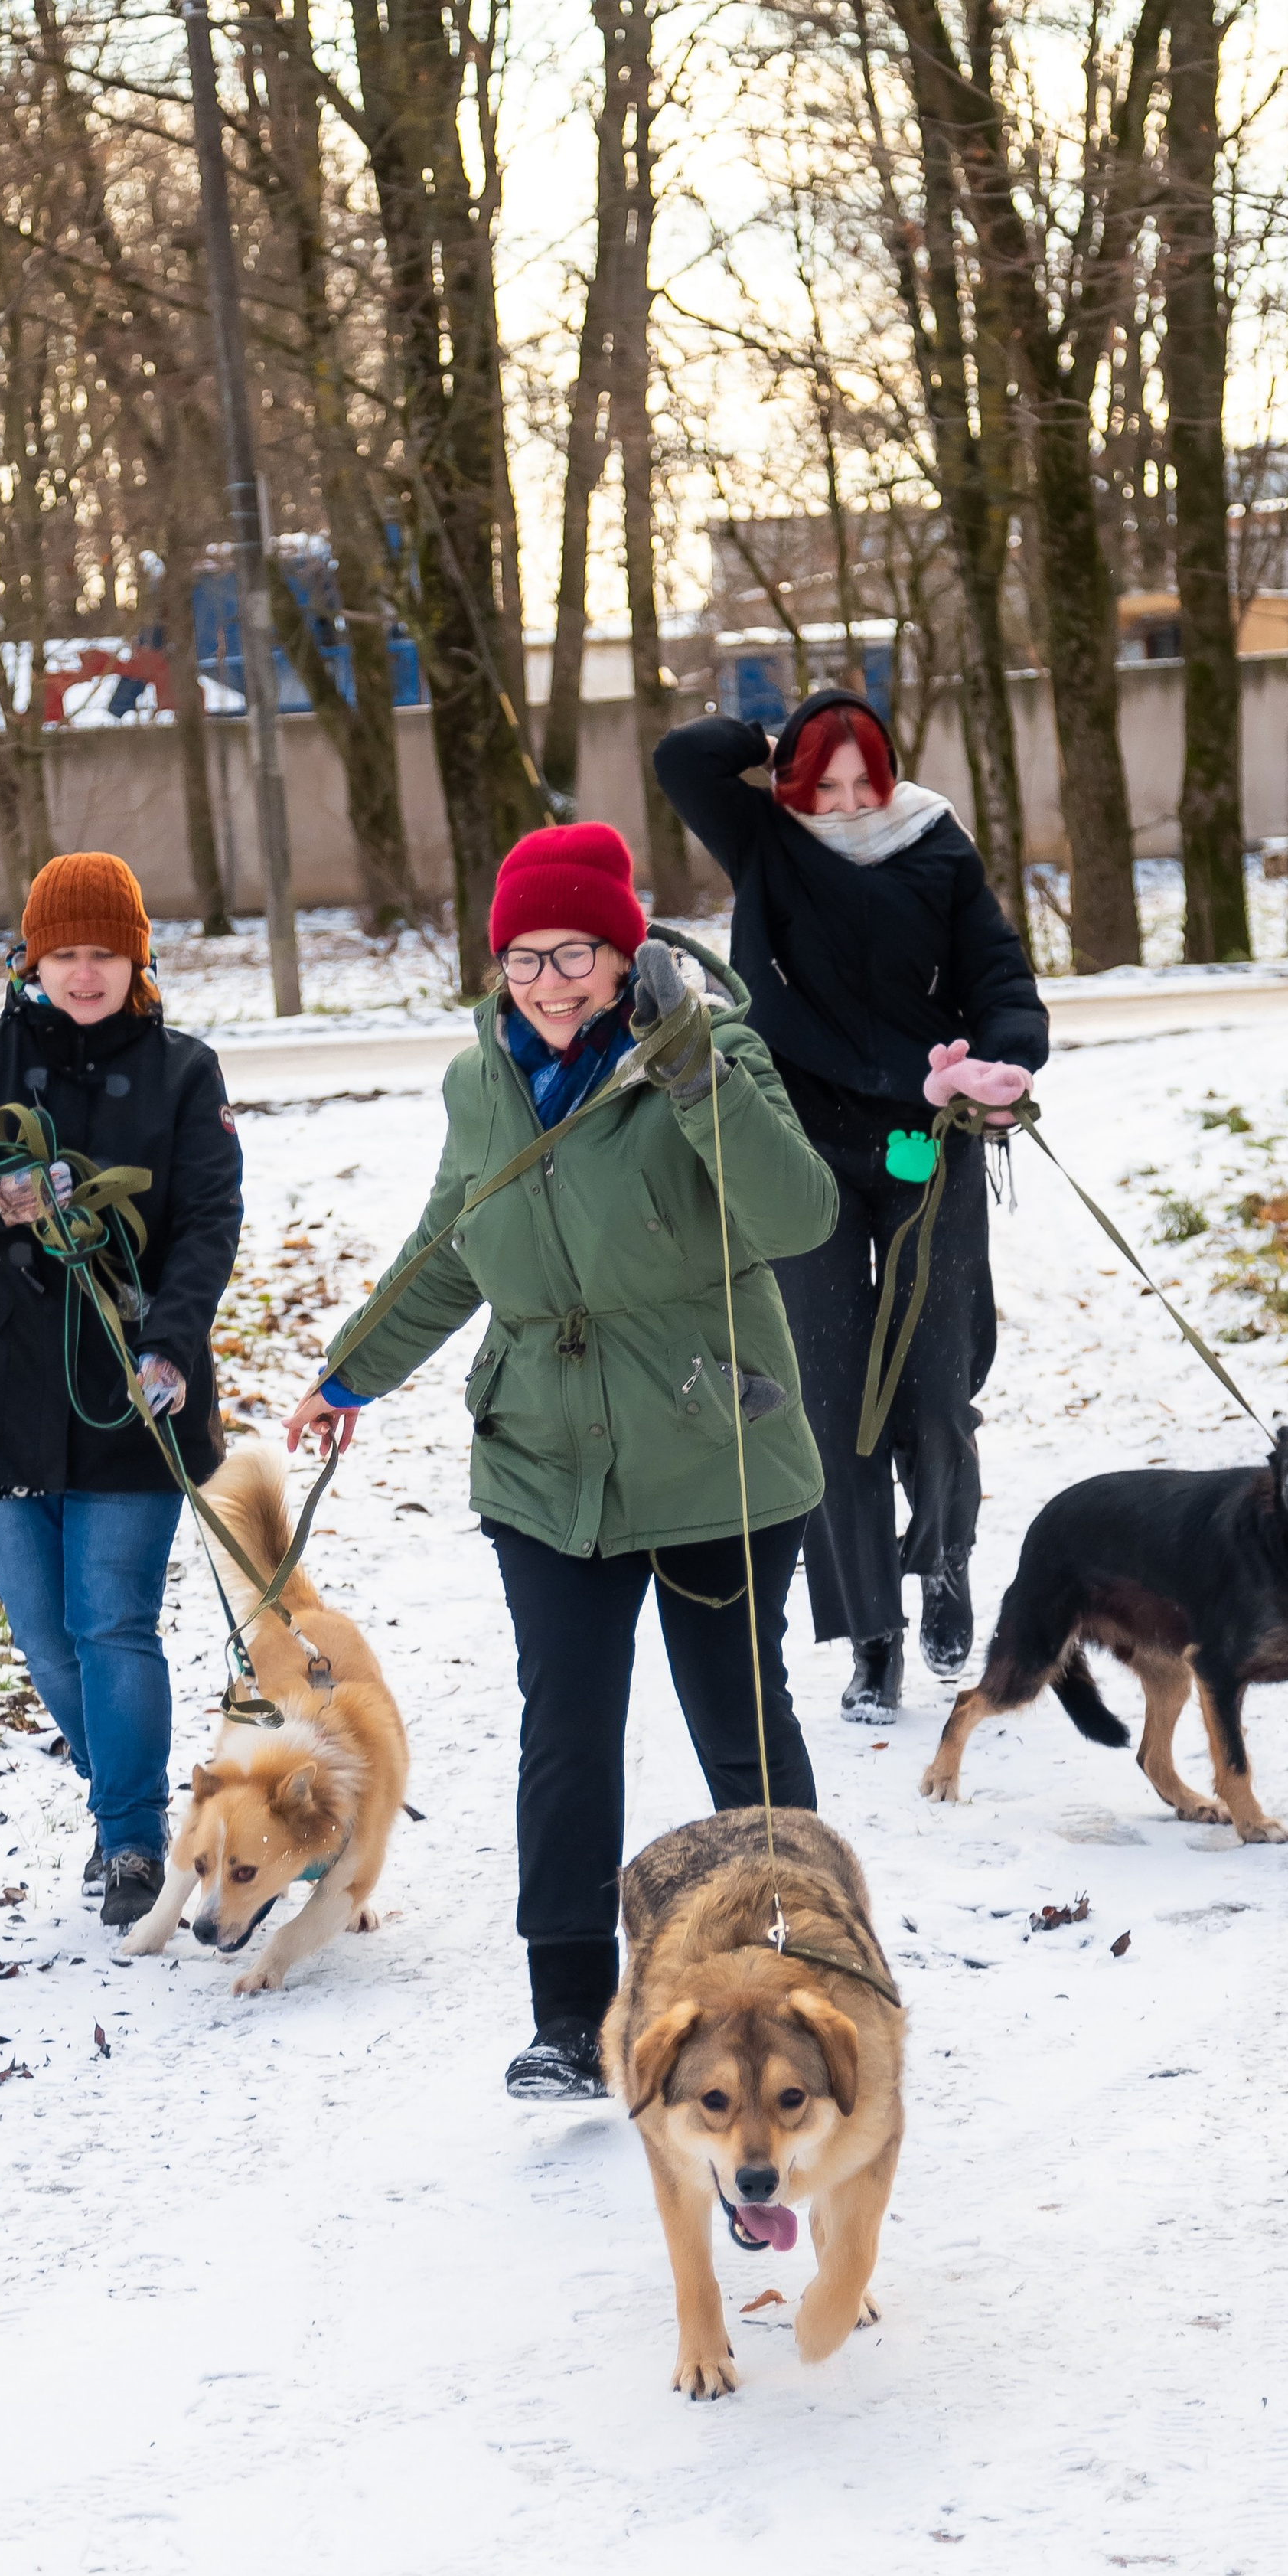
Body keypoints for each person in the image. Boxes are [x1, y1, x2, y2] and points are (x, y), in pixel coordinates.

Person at [285, 819, 838, 2101]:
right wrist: (353, 1367)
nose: (549, 982)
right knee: (568, 1736)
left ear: (624, 949)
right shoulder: (480, 1078)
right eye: (524, 956)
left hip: (713, 1446)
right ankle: (568, 2012)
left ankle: (799, 1968)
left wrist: (696, 1069)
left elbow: (797, 1215)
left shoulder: (709, 1048)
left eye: (578, 952)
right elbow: (451, 1241)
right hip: (544, 1459)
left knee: (739, 1726)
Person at [654, 691, 1048, 1725]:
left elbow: (1001, 979)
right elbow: (684, 760)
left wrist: (1003, 1065)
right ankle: (870, 1631)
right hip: (797, 1145)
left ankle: (946, 1563)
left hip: (928, 1137)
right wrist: (769, 738)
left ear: (889, 772)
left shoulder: (935, 845)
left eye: (857, 780)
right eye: (818, 782)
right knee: (829, 1397)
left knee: (933, 1380)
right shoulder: (769, 840)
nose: (840, 801)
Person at [0, 853, 243, 1930]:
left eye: (108, 954)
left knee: (111, 1624)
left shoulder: (186, 1071)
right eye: (65, 954)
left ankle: (131, 1841)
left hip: (137, 1394)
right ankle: (118, 1793)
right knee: (45, 1640)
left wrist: (171, 1347)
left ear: (139, 958)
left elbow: (207, 1227)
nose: (87, 974)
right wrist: (1, 1198)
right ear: (31, 961)